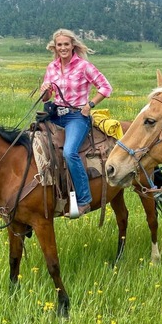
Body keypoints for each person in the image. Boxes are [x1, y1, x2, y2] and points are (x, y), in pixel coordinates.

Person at [39, 29, 112, 218]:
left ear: (73, 46)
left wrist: (90, 105)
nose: (62, 48)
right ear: (55, 47)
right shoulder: (52, 67)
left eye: (66, 44)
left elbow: (105, 87)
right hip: (55, 114)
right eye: (59, 45)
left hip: (77, 116)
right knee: (31, 142)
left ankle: (84, 200)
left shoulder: (84, 66)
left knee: (69, 152)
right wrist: (45, 90)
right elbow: (47, 98)